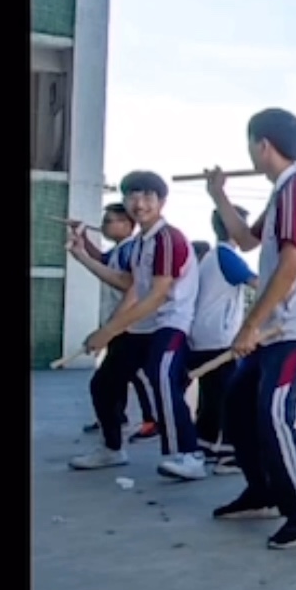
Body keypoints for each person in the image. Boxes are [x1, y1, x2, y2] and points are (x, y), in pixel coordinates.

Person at [203, 108, 296, 550]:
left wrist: (249, 325)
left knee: (275, 415)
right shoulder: (282, 194)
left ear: (262, 145)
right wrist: (218, 195)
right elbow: (246, 240)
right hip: (273, 330)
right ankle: (262, 492)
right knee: (238, 406)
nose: (249, 152)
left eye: (249, 144)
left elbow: (290, 266)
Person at [68, 171, 209, 481]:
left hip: (170, 323)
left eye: (147, 196)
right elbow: (127, 283)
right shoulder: (141, 243)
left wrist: (108, 331)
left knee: (162, 378)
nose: (139, 203)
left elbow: (158, 295)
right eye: (132, 196)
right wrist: (82, 256)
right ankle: (112, 449)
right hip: (142, 325)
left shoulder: (168, 238)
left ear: (161, 202)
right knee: (103, 384)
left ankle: (189, 454)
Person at [72, 203, 159, 442]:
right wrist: (83, 240)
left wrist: (111, 326)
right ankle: (115, 420)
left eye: (109, 221)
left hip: (130, 324)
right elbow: (100, 260)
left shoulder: (131, 249)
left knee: (125, 378)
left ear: (127, 224)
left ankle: (150, 421)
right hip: (121, 324)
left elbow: (132, 287)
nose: (104, 225)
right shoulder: (120, 250)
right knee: (112, 380)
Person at [189, 211, 259, 476]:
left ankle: (204, 447)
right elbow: (259, 284)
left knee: (211, 397)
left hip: (203, 337)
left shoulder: (210, 257)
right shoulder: (226, 257)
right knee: (232, 399)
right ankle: (228, 456)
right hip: (219, 339)